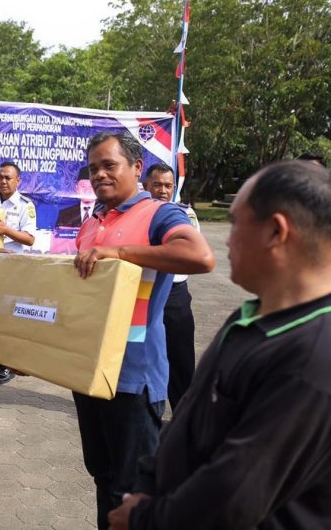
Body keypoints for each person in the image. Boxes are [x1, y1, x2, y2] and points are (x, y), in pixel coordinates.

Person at [109, 160, 331, 530]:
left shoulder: (312, 358)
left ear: (276, 232)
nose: (225, 239)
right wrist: (146, 485)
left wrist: (143, 518)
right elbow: (188, 419)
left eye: (235, 223)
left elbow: (235, 496)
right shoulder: (249, 317)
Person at [72, 131, 214, 530]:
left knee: (132, 491)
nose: (99, 174)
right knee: (103, 477)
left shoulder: (159, 214)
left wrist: (117, 252)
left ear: (136, 168)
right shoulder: (91, 221)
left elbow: (200, 256)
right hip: (88, 372)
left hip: (133, 378)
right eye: (93, 167)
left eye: (109, 165)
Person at [143, 163, 200, 410]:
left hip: (175, 293)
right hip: (142, 290)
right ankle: (146, 407)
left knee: (180, 356)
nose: (163, 190)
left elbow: (188, 252)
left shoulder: (184, 214)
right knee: (143, 352)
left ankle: (185, 414)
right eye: (157, 184)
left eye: (168, 185)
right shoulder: (138, 214)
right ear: (146, 186)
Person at [0, 161, 37, 385]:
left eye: (8, 178)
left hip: (13, 267)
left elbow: (30, 239)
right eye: (0, 177)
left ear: (18, 181)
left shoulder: (26, 205)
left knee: (8, 316)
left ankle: (7, 366)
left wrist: (7, 230)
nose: (3, 181)